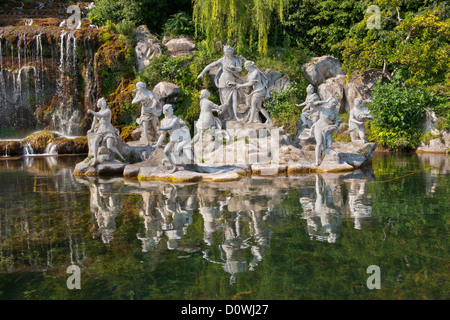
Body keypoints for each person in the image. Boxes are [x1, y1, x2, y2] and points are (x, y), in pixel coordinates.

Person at [197, 45, 246, 121]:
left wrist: (234, 68)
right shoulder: (222, 60)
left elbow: (240, 69)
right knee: (227, 101)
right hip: (223, 82)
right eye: (225, 52)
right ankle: (230, 116)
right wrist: (202, 73)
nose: (226, 53)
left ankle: (236, 116)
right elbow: (211, 65)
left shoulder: (235, 60)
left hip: (233, 81)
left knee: (235, 99)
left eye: (227, 52)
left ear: (231, 52)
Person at [154, 104, 192, 173]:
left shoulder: (175, 118)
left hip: (181, 140)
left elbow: (171, 126)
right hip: (173, 141)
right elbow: (163, 134)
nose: (173, 110)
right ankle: (174, 167)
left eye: (172, 108)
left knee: (180, 153)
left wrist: (160, 128)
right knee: (166, 151)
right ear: (166, 111)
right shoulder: (163, 121)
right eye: (171, 109)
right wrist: (157, 144)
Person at [87, 98, 125, 166]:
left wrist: (91, 112)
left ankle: (121, 156)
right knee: (95, 141)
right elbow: (94, 122)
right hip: (100, 130)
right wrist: (91, 129)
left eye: (105, 101)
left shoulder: (108, 111)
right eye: (103, 101)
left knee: (109, 146)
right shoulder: (97, 113)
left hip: (108, 130)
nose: (105, 102)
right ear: (100, 103)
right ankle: (95, 159)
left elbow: (101, 115)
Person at [312, 97, 341, 166]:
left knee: (329, 145)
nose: (332, 105)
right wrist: (325, 101)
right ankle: (317, 161)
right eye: (332, 103)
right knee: (319, 143)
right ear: (329, 102)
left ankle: (325, 158)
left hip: (327, 128)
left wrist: (335, 126)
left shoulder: (335, 111)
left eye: (334, 104)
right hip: (319, 127)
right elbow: (315, 104)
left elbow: (337, 120)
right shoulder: (324, 108)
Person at [132, 82, 160, 146]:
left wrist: (153, 106)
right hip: (144, 112)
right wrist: (140, 99)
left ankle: (157, 138)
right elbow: (133, 102)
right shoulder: (139, 94)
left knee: (154, 126)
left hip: (151, 111)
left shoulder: (148, 93)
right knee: (145, 127)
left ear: (142, 87)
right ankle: (147, 142)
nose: (137, 88)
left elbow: (154, 100)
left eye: (138, 87)